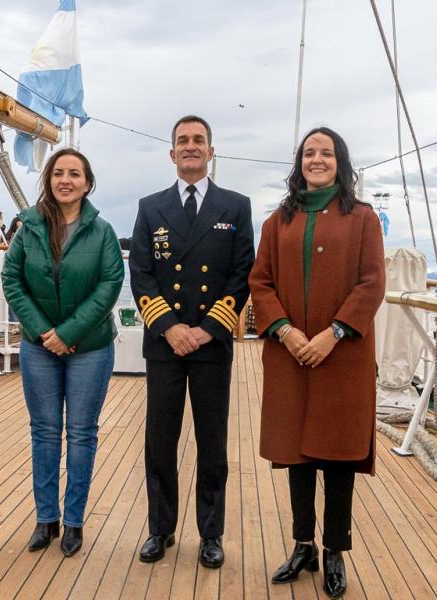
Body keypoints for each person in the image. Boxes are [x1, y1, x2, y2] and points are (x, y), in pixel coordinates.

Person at [248, 127, 385, 598]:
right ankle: (303, 545)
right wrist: (285, 330)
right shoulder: (277, 222)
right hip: (290, 355)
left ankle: (334, 551)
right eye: (310, 153)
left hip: (341, 355)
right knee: (297, 454)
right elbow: (259, 282)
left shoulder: (363, 219)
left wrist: (334, 333)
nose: (317, 159)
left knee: (338, 457)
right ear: (299, 162)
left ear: (339, 162)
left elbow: (371, 284)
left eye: (326, 153)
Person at [129, 115, 254, 569]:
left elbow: (243, 275)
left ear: (211, 150)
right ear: (172, 152)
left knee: (212, 442)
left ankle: (211, 533)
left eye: (199, 140)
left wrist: (206, 329)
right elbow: (140, 272)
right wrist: (170, 327)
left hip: (211, 343)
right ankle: (160, 530)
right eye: (182, 140)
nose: (190, 147)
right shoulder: (150, 206)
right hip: (165, 343)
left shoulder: (235, 207)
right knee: (159, 440)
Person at [2, 148, 124, 557]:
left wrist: (68, 332)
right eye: (58, 173)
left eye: (74, 174)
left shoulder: (102, 231)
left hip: (89, 347)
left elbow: (109, 284)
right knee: (45, 432)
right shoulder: (29, 226)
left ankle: (73, 523)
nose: (65, 180)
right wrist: (44, 332)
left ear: (87, 183)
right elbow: (11, 279)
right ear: (49, 180)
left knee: (82, 434)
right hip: (40, 348)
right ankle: (45, 519)